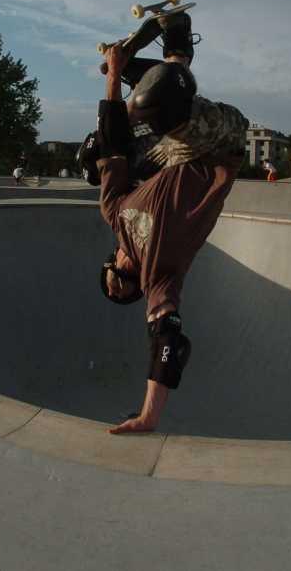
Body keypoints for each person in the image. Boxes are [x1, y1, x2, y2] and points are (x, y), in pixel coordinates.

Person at [94, 42, 247, 435]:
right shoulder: (158, 278)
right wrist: (149, 416)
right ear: (131, 284)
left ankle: (174, 43)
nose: (121, 267)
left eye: (113, 271)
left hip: (179, 150)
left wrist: (114, 74)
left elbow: (111, 143)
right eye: (121, 283)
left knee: (103, 146)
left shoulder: (114, 211)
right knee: (156, 98)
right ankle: (160, 74)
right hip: (221, 146)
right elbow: (167, 342)